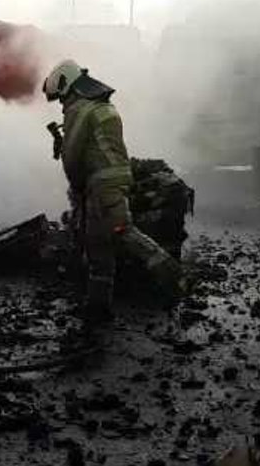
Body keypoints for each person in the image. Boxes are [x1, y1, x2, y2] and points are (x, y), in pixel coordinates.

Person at [43, 59, 184, 321]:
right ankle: (98, 308)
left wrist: (75, 189)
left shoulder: (79, 109)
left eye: (60, 98)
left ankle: (173, 274)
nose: (61, 104)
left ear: (66, 86)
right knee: (99, 246)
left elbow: (72, 158)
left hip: (103, 185)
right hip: (109, 182)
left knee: (122, 232)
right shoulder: (100, 105)